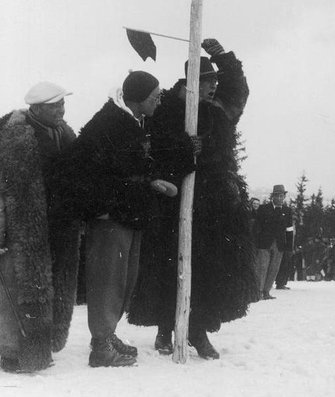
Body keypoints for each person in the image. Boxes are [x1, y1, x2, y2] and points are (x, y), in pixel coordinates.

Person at [127, 39, 259, 359]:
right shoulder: (169, 107)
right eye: (206, 81)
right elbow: (157, 146)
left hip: (211, 203)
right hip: (174, 197)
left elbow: (239, 90)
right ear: (190, 83)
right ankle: (164, 327)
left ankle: (198, 330)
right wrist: (185, 149)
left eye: (215, 81)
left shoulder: (220, 111)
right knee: (167, 263)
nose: (213, 87)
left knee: (206, 267)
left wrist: (223, 57)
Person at [53, 71, 175, 367]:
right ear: (139, 99)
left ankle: (108, 335)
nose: (159, 101)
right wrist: (100, 207)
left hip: (128, 214)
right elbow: (79, 169)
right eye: (155, 96)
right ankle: (101, 347)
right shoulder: (108, 123)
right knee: (108, 281)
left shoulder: (132, 122)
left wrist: (150, 182)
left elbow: (122, 168)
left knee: (124, 280)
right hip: (111, 218)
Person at [0, 82, 80, 373]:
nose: (61, 110)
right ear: (36, 108)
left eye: (62, 105)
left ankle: (41, 348)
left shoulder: (64, 134)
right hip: (22, 226)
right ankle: (11, 353)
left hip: (57, 224)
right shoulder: (11, 134)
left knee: (52, 289)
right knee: (18, 291)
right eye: (54, 106)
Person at [254, 185, 294, 299]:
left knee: (274, 268)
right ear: (274, 196)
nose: (282, 199)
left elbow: (289, 230)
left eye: (283, 196)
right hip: (264, 243)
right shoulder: (263, 209)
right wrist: (257, 242)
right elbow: (257, 227)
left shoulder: (287, 211)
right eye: (280, 196)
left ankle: (266, 291)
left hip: (280, 245)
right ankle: (258, 292)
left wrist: (289, 248)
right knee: (262, 267)